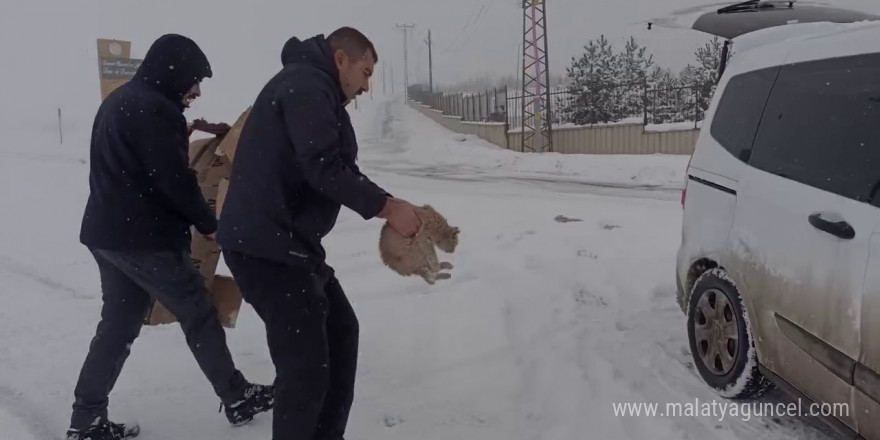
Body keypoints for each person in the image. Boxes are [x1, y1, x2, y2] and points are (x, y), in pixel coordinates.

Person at [217, 27, 422, 440]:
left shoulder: (314, 89)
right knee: (305, 367)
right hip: (267, 248)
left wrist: (385, 201)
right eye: (365, 73)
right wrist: (387, 207)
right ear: (341, 58)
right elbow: (323, 167)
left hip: (288, 245)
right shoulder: (305, 85)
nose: (366, 86)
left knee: (341, 333)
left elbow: (334, 168)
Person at [67, 34, 273, 440]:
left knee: (118, 325)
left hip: (106, 235)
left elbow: (138, 166)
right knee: (197, 311)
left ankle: (86, 418)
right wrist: (209, 223)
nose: (196, 91)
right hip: (144, 240)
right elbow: (175, 182)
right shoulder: (157, 111)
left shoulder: (120, 101)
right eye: (194, 80)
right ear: (173, 70)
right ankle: (236, 396)